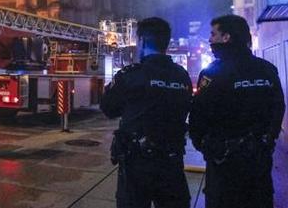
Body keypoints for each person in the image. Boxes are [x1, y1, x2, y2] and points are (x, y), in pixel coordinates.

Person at [189, 15, 285, 208]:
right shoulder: (266, 69)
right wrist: (268, 139)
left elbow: (198, 115)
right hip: (258, 163)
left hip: (224, 166)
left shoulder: (212, 74)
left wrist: (205, 145)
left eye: (213, 34)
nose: (210, 40)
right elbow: (278, 107)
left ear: (226, 37)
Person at [100, 17, 192, 208]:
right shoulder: (182, 76)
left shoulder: (131, 75)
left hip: (137, 166)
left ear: (141, 41)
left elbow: (108, 108)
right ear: (165, 42)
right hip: (172, 163)